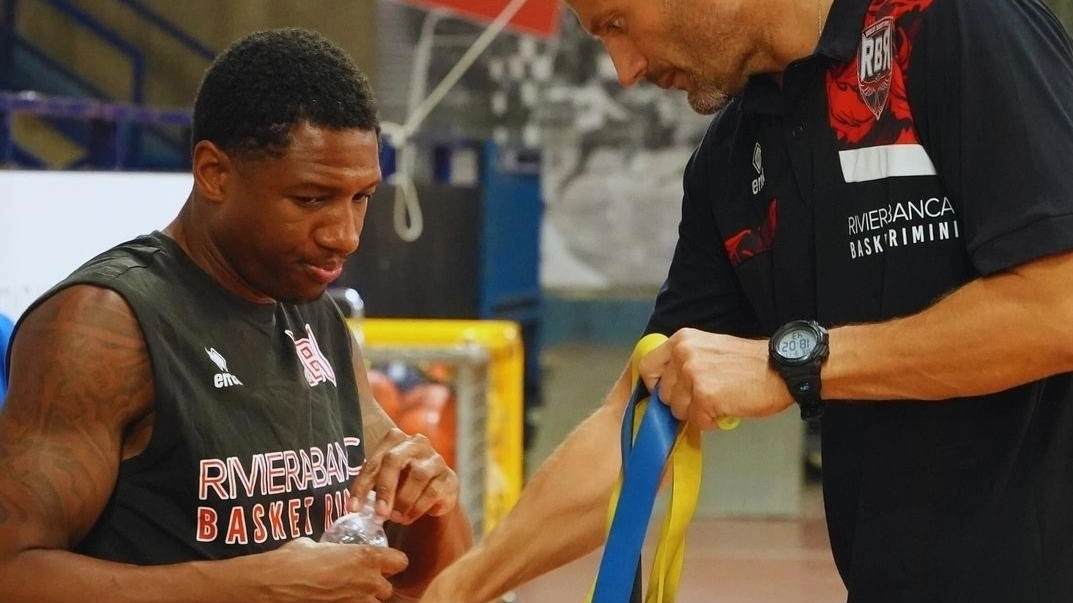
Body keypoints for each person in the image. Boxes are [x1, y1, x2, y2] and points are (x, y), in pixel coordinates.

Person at [420, 0, 1073, 601]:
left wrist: (795, 363)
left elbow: (1057, 307)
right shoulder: (731, 162)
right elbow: (636, 421)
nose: (623, 70)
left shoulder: (948, 22)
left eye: (615, 23)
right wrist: (455, 588)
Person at [0, 28, 471, 602]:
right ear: (214, 173)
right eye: (311, 199)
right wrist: (247, 586)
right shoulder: (104, 325)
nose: (343, 236)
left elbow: (425, 583)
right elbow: (11, 573)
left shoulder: (318, 322)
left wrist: (434, 502)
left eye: (361, 197)